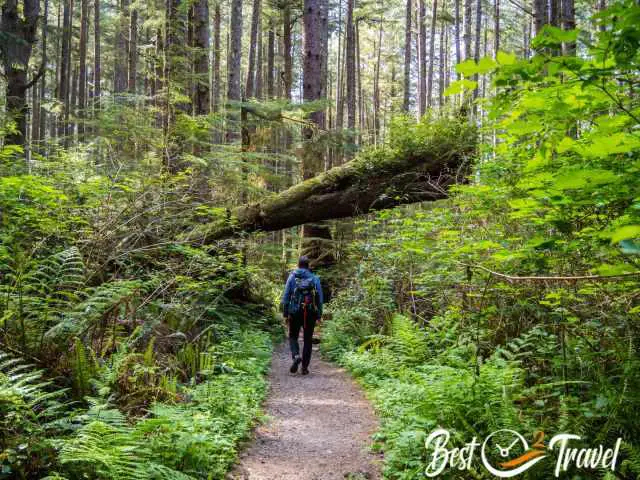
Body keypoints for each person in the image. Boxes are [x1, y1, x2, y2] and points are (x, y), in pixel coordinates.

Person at [281, 255, 323, 375]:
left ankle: (296, 356)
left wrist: (285, 313)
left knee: (293, 336)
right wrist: (319, 315)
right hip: (310, 312)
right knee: (308, 340)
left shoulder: (292, 277)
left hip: (294, 312)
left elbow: (286, 296)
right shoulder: (315, 278)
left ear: (298, 265)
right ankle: (304, 368)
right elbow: (319, 299)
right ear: (308, 265)